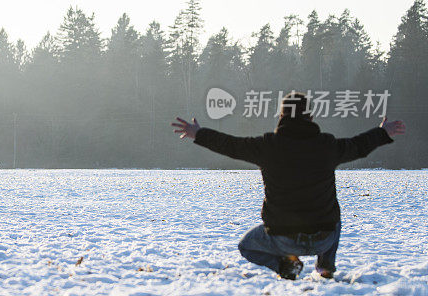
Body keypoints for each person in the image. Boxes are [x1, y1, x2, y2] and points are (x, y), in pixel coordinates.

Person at [171, 92, 405, 280]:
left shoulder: (268, 146)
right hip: (324, 236)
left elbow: (231, 145)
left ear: (282, 116)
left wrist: (199, 134)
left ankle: (287, 265)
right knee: (335, 216)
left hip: (283, 238)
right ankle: (325, 266)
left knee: (246, 247)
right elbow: (359, 145)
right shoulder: (327, 145)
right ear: (310, 117)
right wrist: (382, 133)